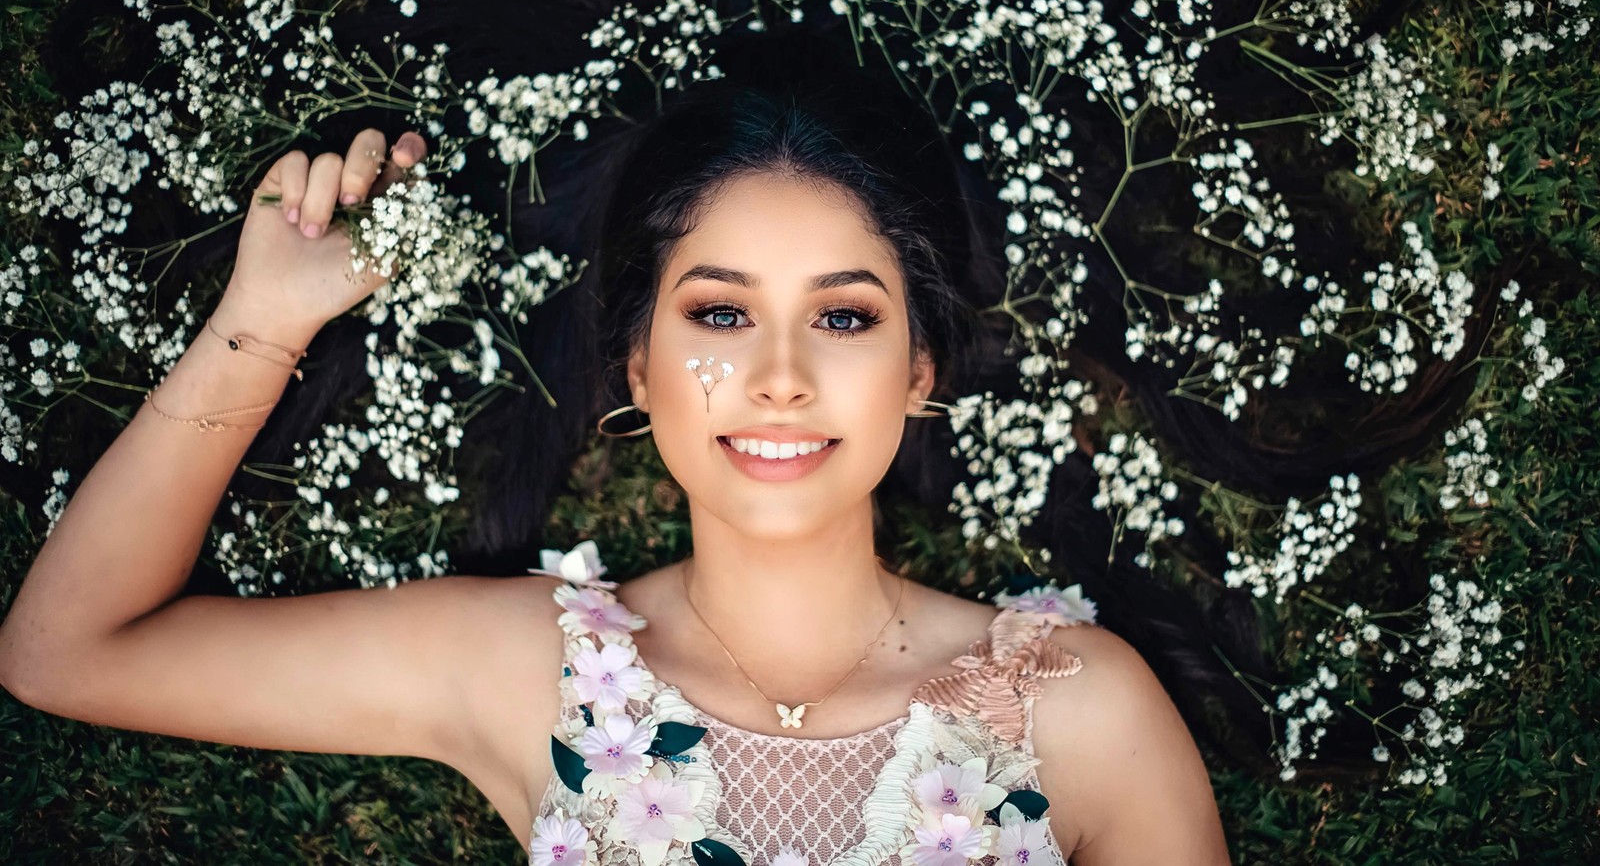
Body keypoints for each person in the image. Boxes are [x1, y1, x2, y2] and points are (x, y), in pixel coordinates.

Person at [0, 72, 1231, 865]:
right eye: (719, 315)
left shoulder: (1075, 709)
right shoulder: (526, 671)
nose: (782, 377)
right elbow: (67, 653)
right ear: (637, 370)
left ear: (920, 370)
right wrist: (261, 327)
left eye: (847, 318)